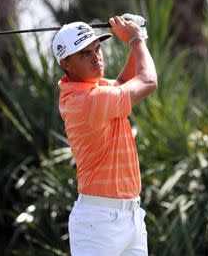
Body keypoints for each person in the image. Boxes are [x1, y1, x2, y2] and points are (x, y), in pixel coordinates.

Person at [52, 14, 157, 256]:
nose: (96, 57)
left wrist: (140, 36)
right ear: (66, 63)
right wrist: (135, 40)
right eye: (84, 54)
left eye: (97, 49)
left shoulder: (95, 90)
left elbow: (123, 82)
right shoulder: (86, 101)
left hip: (130, 216)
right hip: (98, 224)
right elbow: (148, 81)